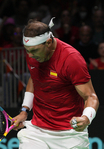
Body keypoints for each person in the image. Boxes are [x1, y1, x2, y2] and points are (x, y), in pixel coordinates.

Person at [13, 18, 99, 148]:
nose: (30, 56)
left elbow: (91, 96)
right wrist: (24, 111)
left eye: (34, 51)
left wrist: (86, 118)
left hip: (70, 134)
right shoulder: (33, 53)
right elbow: (34, 79)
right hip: (37, 131)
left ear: (48, 43)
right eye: (27, 50)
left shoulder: (71, 59)